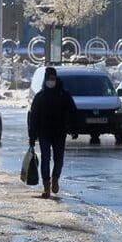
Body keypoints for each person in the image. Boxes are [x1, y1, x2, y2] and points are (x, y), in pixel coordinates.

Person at [28, 67, 77, 199]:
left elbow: (73, 112)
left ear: (56, 79)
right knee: (45, 158)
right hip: (44, 133)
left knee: (59, 159)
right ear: (45, 79)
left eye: (53, 79)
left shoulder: (64, 95)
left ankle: (55, 178)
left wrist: (73, 129)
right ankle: (46, 187)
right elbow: (33, 118)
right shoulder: (40, 96)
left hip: (60, 133)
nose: (51, 81)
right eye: (49, 79)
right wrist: (32, 136)